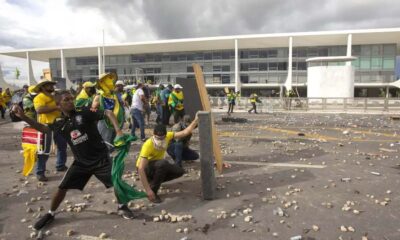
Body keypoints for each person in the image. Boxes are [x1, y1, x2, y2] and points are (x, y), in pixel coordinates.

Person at [12, 91, 137, 231]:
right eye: (67, 100)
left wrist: (118, 131)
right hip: (81, 163)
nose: (71, 101)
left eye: (72, 98)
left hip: (100, 159)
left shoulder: (84, 112)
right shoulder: (59, 123)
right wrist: (23, 116)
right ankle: (50, 214)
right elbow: (42, 128)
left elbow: (108, 112)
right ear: (58, 104)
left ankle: (122, 206)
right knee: (61, 188)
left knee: (116, 182)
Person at [137, 116, 198, 203]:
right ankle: (153, 191)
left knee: (179, 171)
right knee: (163, 164)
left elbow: (185, 132)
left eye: (162, 138)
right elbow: (140, 168)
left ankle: (153, 181)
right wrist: (148, 190)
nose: (160, 140)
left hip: (157, 165)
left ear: (165, 135)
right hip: (146, 169)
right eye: (158, 138)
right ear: (153, 135)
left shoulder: (168, 136)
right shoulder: (148, 145)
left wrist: (195, 120)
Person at [33, 79, 68, 181]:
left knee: (62, 145)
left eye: (52, 84)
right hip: (45, 126)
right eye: (49, 85)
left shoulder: (53, 96)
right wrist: (56, 107)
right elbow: (39, 110)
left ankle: (60, 165)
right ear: (43, 87)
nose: (52, 86)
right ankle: (40, 172)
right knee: (44, 150)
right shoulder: (39, 97)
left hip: (57, 124)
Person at [92, 73, 125, 148]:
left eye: (110, 80)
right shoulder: (99, 96)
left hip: (115, 123)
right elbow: (93, 111)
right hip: (104, 123)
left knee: (112, 143)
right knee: (105, 144)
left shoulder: (113, 95)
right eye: (107, 80)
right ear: (102, 83)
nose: (110, 82)